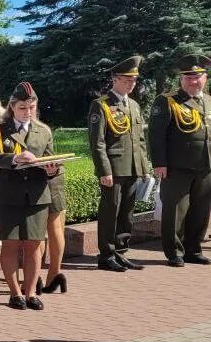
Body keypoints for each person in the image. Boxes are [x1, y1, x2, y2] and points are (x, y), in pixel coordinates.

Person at [0, 82, 61, 310]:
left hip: (37, 195)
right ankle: (14, 293)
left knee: (34, 245)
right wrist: (14, 159)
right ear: (12, 107)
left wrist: (52, 168)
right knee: (11, 244)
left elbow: (51, 159)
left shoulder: (43, 130)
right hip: (8, 194)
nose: (28, 112)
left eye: (32, 107)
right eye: (22, 108)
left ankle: (31, 293)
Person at [89, 55, 150, 274]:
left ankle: (121, 253)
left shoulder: (133, 105)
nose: (131, 84)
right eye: (126, 80)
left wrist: (143, 167)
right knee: (110, 212)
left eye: (134, 81)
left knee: (127, 212)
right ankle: (106, 255)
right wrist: (104, 171)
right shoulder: (102, 105)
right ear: (114, 79)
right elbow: (98, 143)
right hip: (113, 169)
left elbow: (139, 141)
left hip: (132, 168)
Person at [149, 54, 211, 266]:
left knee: (200, 212)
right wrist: (159, 163)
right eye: (187, 78)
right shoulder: (167, 101)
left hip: (206, 167)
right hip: (177, 167)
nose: (192, 81)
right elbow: (157, 135)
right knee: (175, 211)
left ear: (206, 77)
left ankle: (193, 250)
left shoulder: (209, 101)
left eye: (197, 77)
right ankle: (174, 252)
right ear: (181, 80)